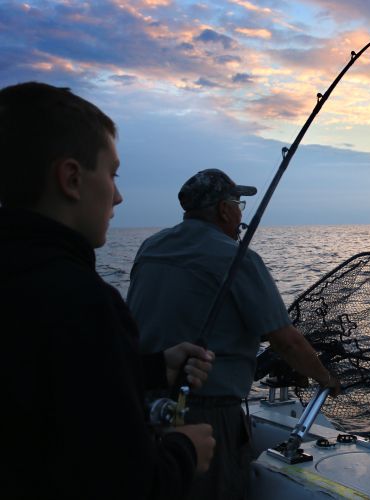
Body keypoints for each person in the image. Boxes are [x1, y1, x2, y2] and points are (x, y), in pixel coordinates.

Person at [0, 81, 216, 499]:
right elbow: (127, 485)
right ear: (72, 179)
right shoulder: (83, 301)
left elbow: (43, 389)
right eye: (112, 174)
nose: (118, 196)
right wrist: (184, 451)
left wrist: (153, 368)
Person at [127, 168, 341, 500]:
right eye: (238, 203)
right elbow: (286, 341)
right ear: (225, 210)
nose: (240, 212)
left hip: (142, 406)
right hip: (207, 417)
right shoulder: (238, 258)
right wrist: (325, 378)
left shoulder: (150, 247)